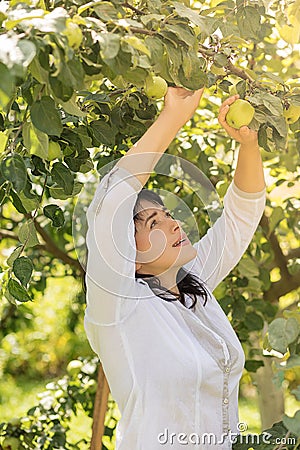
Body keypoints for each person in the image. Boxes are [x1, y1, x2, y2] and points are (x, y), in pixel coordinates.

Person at [83, 87, 266, 449]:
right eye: (152, 223)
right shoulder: (117, 307)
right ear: (126, 252)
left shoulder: (193, 290)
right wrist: (174, 117)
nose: (172, 224)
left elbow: (240, 217)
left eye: (167, 215)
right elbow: (112, 201)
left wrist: (248, 144)